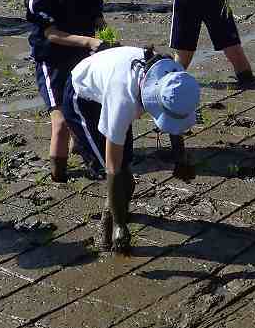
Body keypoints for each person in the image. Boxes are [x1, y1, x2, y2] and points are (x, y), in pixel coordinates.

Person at [60, 47, 199, 253]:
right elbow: (112, 167)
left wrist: (180, 157)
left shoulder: (175, 77)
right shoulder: (122, 102)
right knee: (122, 176)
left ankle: (115, 217)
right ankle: (108, 231)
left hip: (112, 80)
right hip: (82, 97)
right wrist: (119, 225)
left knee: (126, 170)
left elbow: (175, 114)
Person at [26, 0, 108, 183]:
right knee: (60, 121)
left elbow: (99, 20)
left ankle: (84, 150)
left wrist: (107, 39)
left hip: (84, 61)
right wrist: (88, 42)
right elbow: (51, 34)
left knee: (89, 112)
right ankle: (58, 175)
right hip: (52, 62)